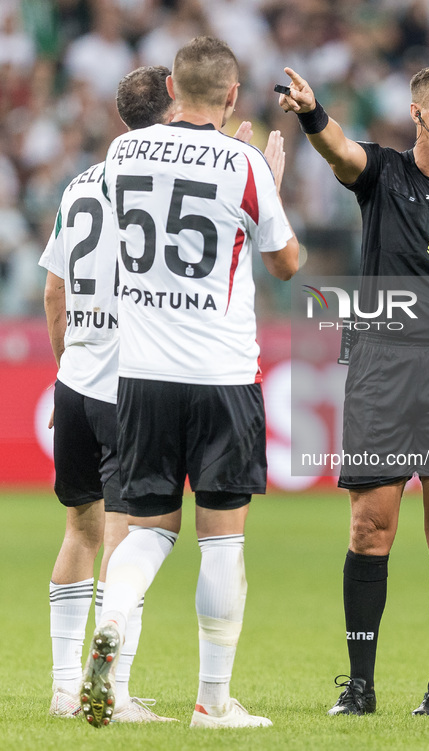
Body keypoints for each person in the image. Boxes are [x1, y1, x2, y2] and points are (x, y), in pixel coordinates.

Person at [278, 63, 429, 716]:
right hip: (380, 368)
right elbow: (339, 148)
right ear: (418, 114)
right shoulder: (383, 175)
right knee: (369, 527)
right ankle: (359, 685)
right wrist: (310, 113)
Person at [81, 36, 299, 729]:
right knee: (222, 540)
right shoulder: (243, 163)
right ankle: (212, 700)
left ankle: (111, 633)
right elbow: (287, 262)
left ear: (172, 87)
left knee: (146, 530)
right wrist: (266, 183)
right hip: (221, 371)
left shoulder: (122, 152)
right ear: (232, 96)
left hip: (141, 373)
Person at [40, 65, 179, 723]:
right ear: (172, 109)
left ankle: (67, 684)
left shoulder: (81, 183)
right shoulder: (169, 183)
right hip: (135, 386)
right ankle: (112, 688)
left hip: (76, 382)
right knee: (131, 538)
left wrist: (69, 363)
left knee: (79, 528)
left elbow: (53, 289)